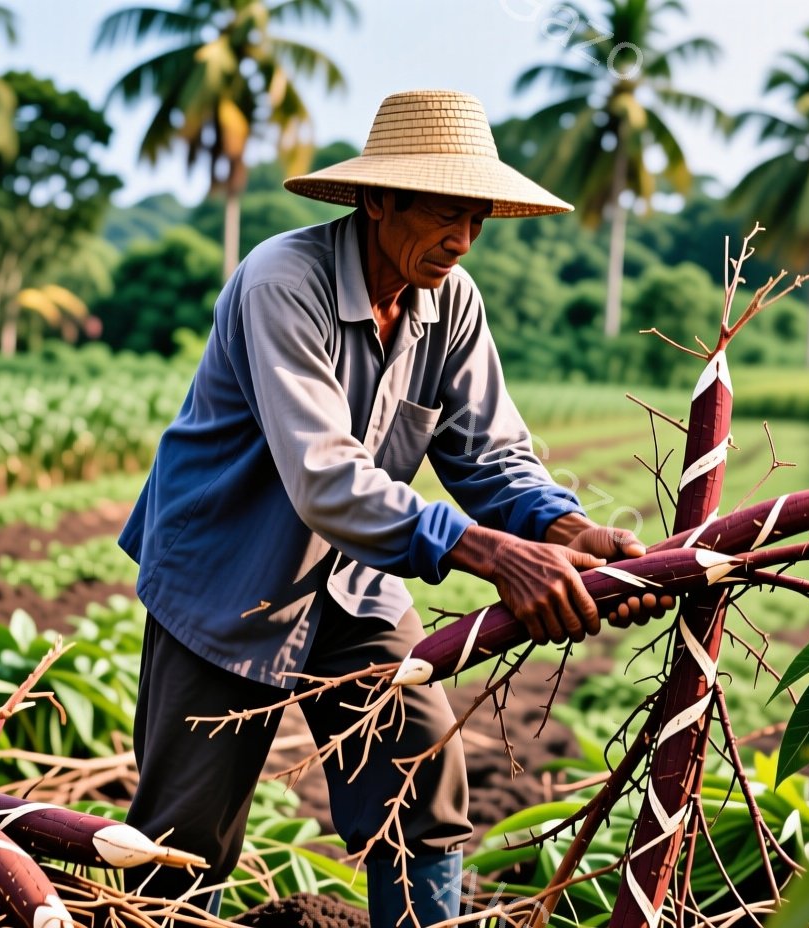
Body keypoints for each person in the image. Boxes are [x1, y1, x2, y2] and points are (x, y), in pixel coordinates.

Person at [117, 89, 672, 926]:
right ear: (378, 200)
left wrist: (571, 532)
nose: (463, 240)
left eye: (476, 219)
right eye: (446, 214)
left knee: (421, 777)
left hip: (354, 581)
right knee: (183, 835)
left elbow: (491, 456)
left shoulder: (452, 301)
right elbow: (326, 477)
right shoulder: (283, 281)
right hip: (224, 576)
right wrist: (495, 554)